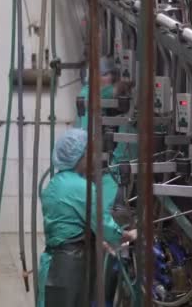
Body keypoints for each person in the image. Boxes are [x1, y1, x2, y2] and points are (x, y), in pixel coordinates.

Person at [38, 129, 137, 307]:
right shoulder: (81, 187)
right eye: (90, 152)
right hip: (70, 267)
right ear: (80, 156)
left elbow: (67, 227)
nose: (93, 157)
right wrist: (129, 235)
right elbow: (105, 227)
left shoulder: (54, 184)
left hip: (54, 262)